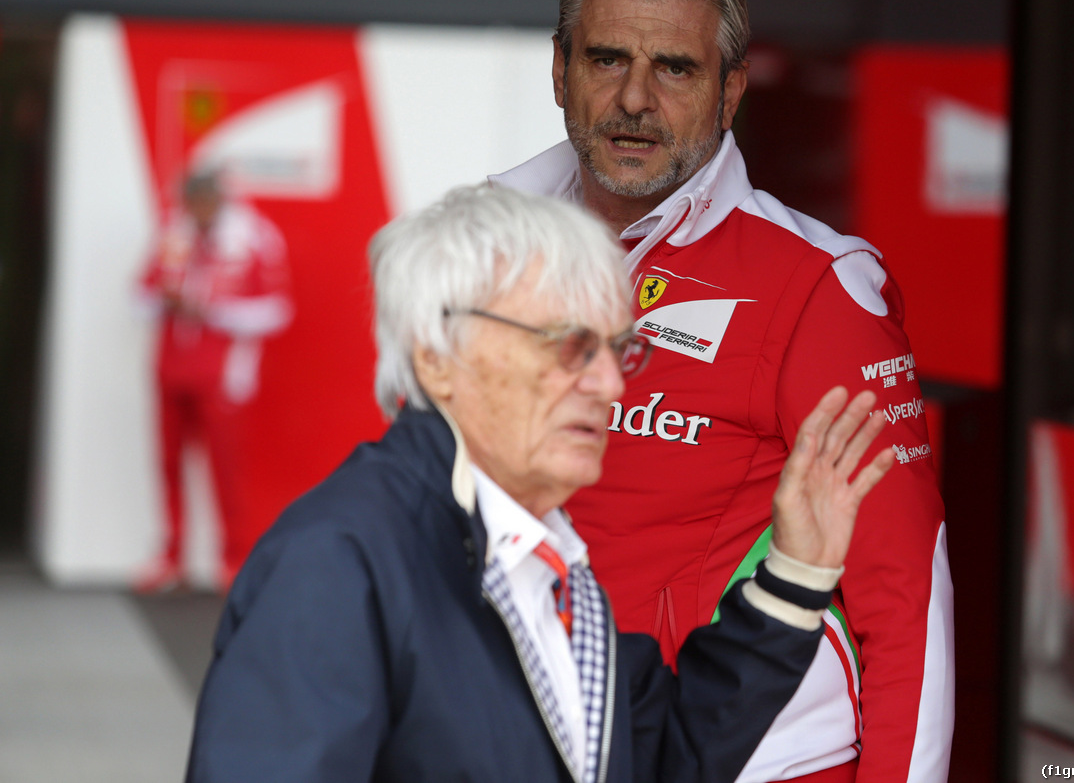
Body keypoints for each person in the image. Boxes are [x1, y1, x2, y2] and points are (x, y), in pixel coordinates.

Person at [184, 184, 895, 783]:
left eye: (619, 349)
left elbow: (659, 757)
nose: (610, 384)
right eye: (568, 345)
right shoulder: (341, 561)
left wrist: (797, 573)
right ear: (437, 356)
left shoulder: (544, 560)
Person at [489, 0, 955, 781]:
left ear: (729, 91)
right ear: (560, 71)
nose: (634, 97)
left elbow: (905, 587)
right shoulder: (489, 246)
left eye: (675, 68)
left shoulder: (818, 285)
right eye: (606, 58)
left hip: (750, 755)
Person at [135, 170, 292, 593]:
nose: (197, 212)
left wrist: (211, 310)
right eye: (191, 203)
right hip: (171, 367)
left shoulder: (255, 238)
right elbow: (139, 296)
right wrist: (162, 300)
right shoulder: (174, 235)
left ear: (220, 199)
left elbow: (277, 309)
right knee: (167, 464)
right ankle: (172, 557)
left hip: (224, 375)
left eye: (205, 202)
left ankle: (235, 558)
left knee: (227, 470)